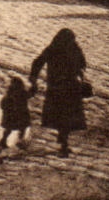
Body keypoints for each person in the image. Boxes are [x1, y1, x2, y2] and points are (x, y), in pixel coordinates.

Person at [30, 28, 89, 157]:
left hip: (59, 87)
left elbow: (37, 63)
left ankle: (63, 139)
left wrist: (33, 79)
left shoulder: (53, 48)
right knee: (66, 116)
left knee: (62, 116)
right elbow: (82, 65)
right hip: (68, 88)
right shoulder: (73, 48)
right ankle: (63, 141)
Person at [0, 75, 32, 151]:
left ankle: (5, 140)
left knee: (10, 129)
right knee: (21, 128)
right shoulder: (19, 92)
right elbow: (29, 95)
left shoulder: (10, 93)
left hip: (16, 114)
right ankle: (18, 142)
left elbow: (3, 104)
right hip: (18, 114)